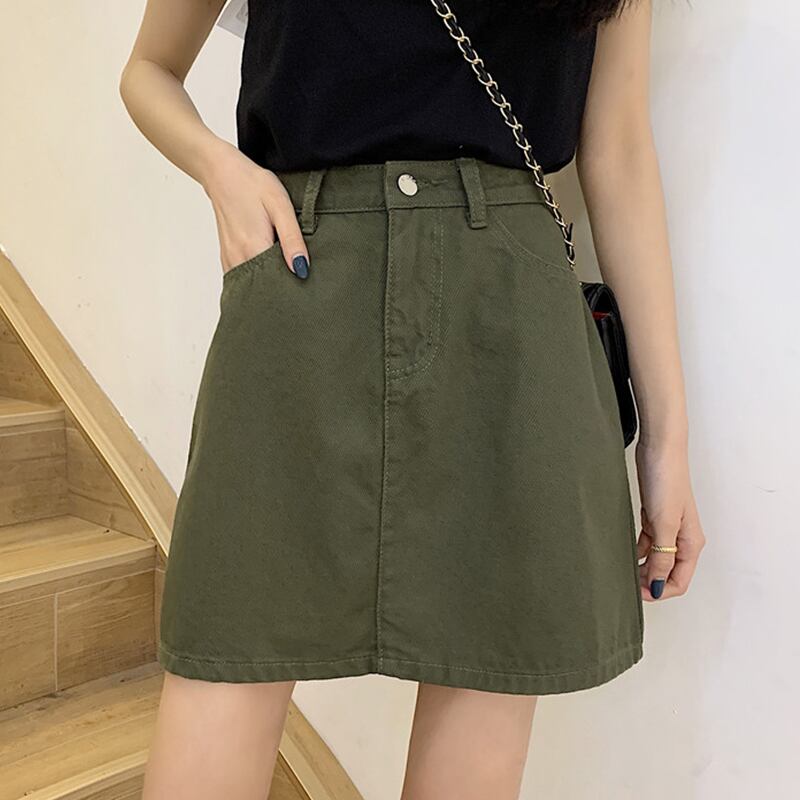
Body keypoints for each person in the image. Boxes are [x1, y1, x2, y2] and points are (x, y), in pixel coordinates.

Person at [119, 1, 705, 798]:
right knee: (227, 646)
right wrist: (222, 170)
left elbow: (620, 146)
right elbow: (149, 70)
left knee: (486, 674)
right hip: (299, 282)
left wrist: (668, 442)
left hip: (510, 314)